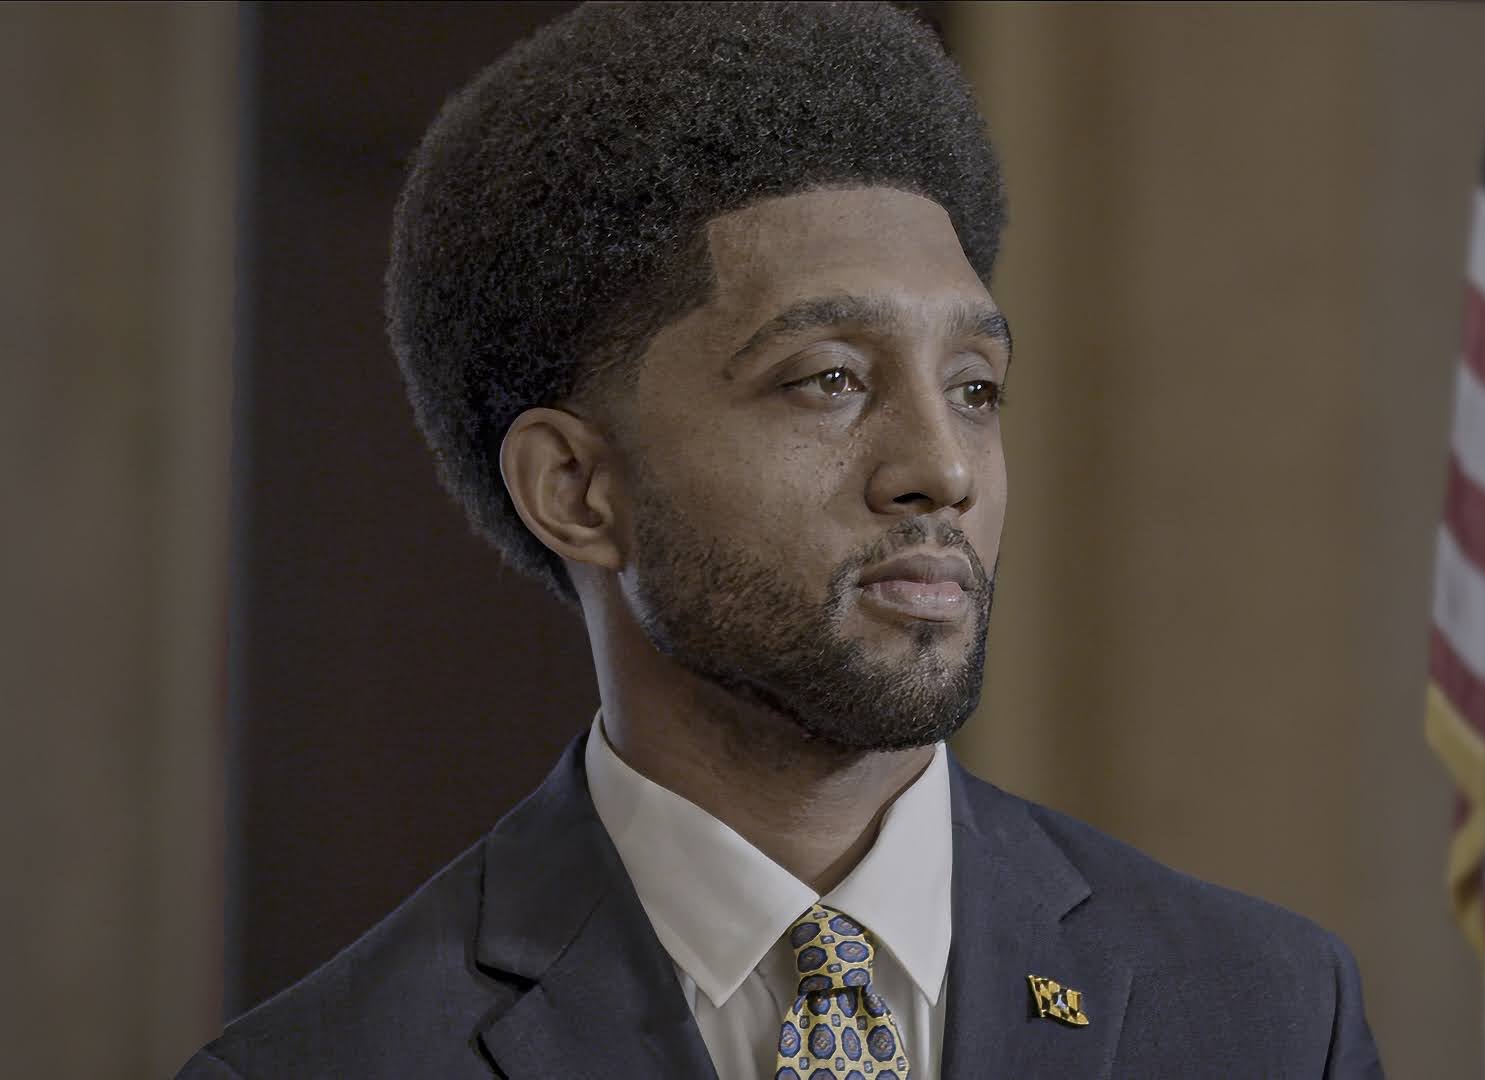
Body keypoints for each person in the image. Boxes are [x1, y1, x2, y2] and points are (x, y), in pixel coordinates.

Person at [179, 3, 1383, 1077]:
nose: (943, 470)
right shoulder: (337, 1061)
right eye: (830, 379)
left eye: (974, 386)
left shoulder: (1271, 1015)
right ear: (577, 489)